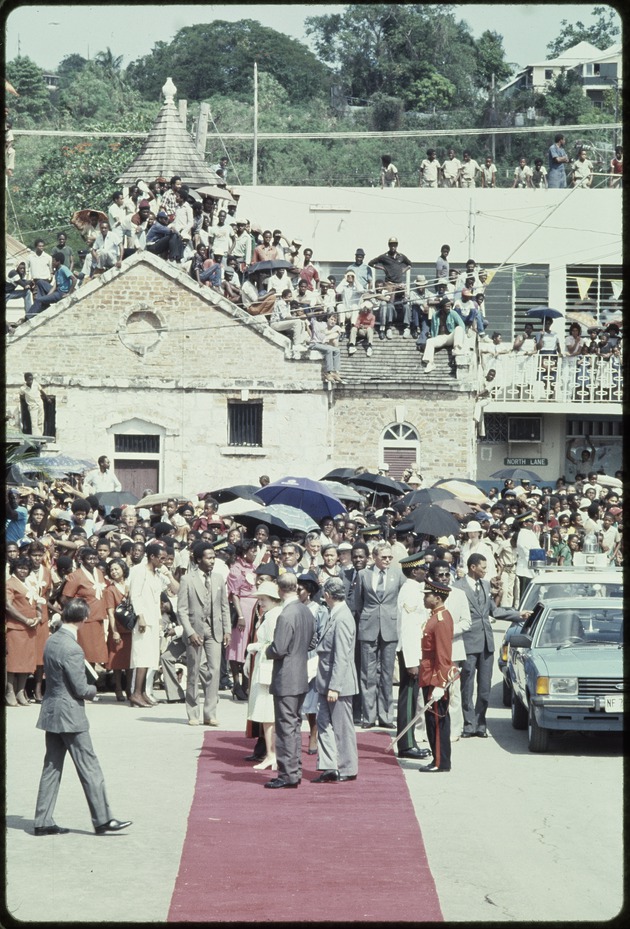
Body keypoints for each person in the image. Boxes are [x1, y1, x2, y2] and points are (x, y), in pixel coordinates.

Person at [33, 598, 132, 835]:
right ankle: (103, 819)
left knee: (51, 767)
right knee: (89, 766)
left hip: (52, 711)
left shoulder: (52, 640)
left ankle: (42, 821)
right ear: (83, 619)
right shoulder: (73, 648)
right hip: (70, 714)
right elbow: (80, 688)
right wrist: (94, 690)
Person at [453, 554, 524, 738]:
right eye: (483, 567)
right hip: (468, 642)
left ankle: (480, 723)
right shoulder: (457, 587)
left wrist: (519, 615)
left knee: (484, 688)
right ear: (473, 567)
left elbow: (495, 611)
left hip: (486, 643)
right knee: (467, 687)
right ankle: (469, 724)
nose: (486, 571)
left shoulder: (485, 585)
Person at [263, 573, 316, 789]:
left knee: (286, 727)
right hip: (300, 673)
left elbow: (279, 648)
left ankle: (288, 774)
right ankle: (293, 771)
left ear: (280, 590)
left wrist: (267, 649)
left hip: (286, 676)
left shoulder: (286, 615)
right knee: (293, 725)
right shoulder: (306, 610)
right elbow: (312, 642)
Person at [312, 577, 359, 783]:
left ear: (328, 596)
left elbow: (342, 656)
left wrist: (335, 687)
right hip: (325, 681)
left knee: (341, 727)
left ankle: (348, 767)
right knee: (323, 723)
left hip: (336, 683)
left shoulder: (342, 618)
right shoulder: (336, 614)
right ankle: (329, 765)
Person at [177, 541, 230, 726]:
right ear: (199, 559)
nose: (213, 561)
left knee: (214, 671)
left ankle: (210, 713)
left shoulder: (217, 579)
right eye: (209, 557)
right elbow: (181, 610)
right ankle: (193, 712)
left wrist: (227, 630)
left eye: (214, 557)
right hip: (195, 631)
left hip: (214, 630)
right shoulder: (187, 579)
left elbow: (224, 606)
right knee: (193, 670)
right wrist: (190, 632)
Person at [354, 541, 404, 729]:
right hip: (369, 626)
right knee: (367, 673)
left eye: (390, 557)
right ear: (374, 557)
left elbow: (400, 599)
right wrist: (367, 618)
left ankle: (386, 716)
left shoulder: (397, 574)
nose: (387, 561)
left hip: (390, 627)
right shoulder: (363, 575)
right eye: (383, 557)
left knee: (387, 673)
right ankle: (369, 716)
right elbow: (358, 603)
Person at [129, 542, 179, 708]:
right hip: (143, 620)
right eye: (161, 558)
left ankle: (143, 693)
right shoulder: (139, 571)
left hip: (154, 620)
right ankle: (136, 693)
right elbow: (134, 595)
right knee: (141, 657)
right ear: (152, 556)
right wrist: (140, 617)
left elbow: (176, 589)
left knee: (151, 658)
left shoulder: (157, 574)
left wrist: (169, 574)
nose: (163, 561)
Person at [394, 552, 432, 760]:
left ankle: (409, 742)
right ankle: (407, 744)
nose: (425, 572)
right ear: (413, 570)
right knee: (408, 699)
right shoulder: (409, 591)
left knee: (410, 698)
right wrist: (411, 661)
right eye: (422, 569)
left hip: (414, 651)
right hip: (410, 652)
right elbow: (408, 629)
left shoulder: (415, 589)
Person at [418, 578, 455, 773]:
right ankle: (437, 759)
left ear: (437, 598)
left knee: (437, 722)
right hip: (428, 675)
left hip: (435, 678)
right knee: (432, 721)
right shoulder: (435, 616)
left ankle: (440, 762)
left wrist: (441, 684)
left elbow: (443, 654)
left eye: (428, 595)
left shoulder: (440, 620)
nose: (425, 598)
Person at [245, 580, 283, 770]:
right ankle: (271, 753)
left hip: (269, 667)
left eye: (264, 599)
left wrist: (256, 647)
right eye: (260, 599)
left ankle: (272, 754)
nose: (260, 603)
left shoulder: (275, 616)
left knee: (268, 713)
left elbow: (275, 644)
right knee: (268, 714)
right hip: (264, 664)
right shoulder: (269, 615)